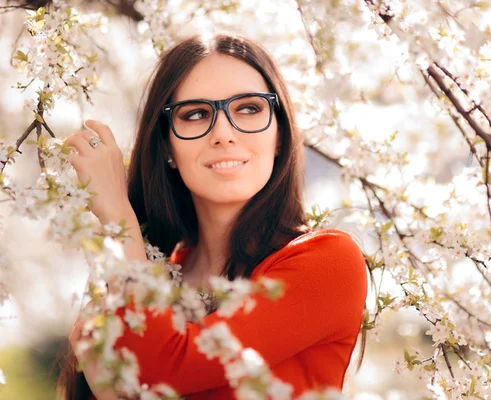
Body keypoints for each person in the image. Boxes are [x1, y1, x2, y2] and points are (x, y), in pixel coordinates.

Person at [57, 34, 368, 400]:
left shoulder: (327, 262)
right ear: (168, 147)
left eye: (249, 109)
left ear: (280, 135)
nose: (223, 134)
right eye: (196, 114)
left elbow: (165, 369)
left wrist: (117, 216)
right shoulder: (155, 273)